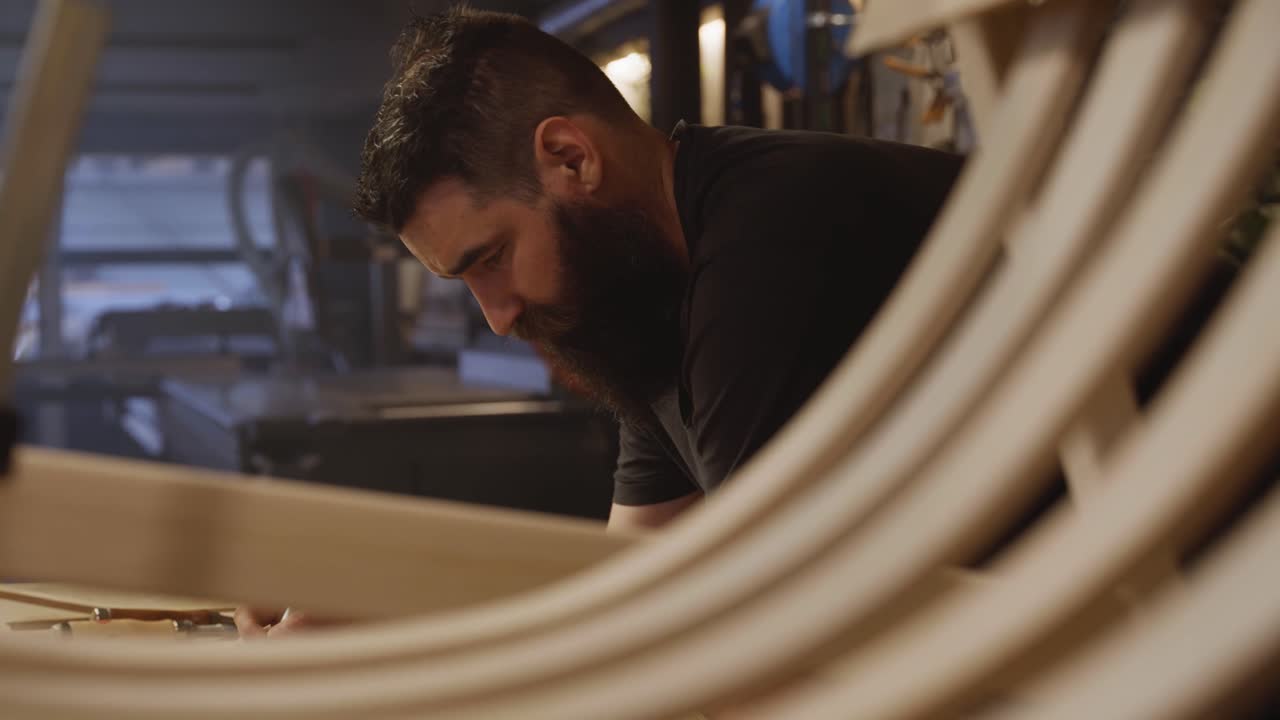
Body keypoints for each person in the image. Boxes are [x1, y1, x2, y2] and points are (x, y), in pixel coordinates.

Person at [236, 6, 962, 638]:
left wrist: (402, 632)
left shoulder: (767, 245)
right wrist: (385, 606)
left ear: (570, 158)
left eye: (492, 258)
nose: (498, 317)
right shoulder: (649, 293)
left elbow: (760, 630)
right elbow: (628, 587)